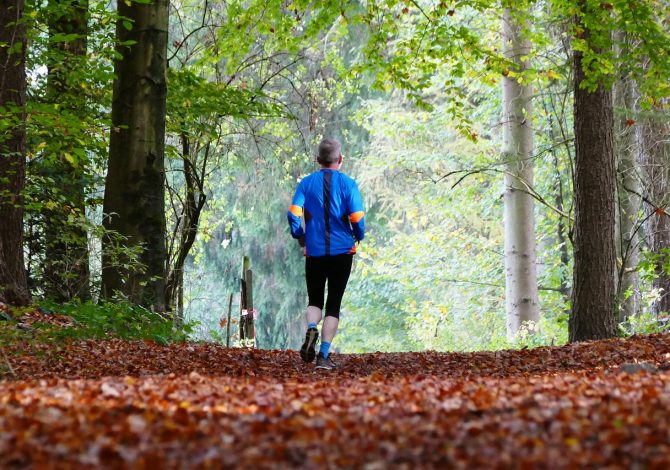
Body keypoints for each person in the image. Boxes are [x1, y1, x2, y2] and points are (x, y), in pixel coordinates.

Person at [287, 138, 365, 370]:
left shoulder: (306, 184)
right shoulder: (349, 184)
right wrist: (358, 234)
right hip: (342, 251)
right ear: (340, 159)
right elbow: (357, 217)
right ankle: (323, 356)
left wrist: (299, 234)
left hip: (315, 251)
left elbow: (293, 213)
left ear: (317, 160)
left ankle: (312, 327)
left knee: (315, 299)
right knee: (333, 304)